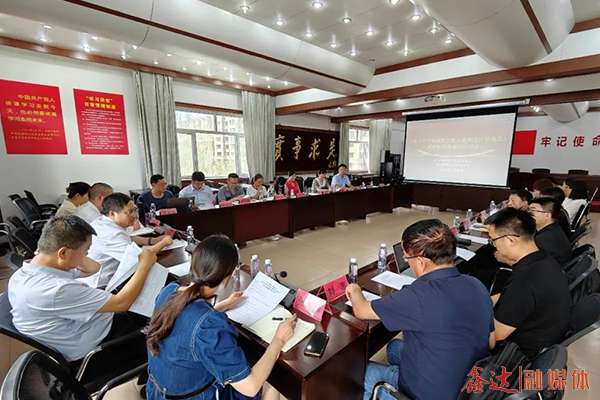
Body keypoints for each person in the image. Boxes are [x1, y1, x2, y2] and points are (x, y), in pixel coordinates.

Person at [347, 219, 495, 400]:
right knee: (394, 348)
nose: (408, 263)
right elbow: (491, 341)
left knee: (357, 374)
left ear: (421, 262)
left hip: (433, 394)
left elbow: (361, 310)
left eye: (407, 259)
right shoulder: (476, 285)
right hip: (470, 384)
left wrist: (355, 289)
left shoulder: (418, 296)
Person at [146, 235, 297, 400]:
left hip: (158, 392)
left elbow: (187, 324)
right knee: (271, 380)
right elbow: (251, 387)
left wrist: (222, 306)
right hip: (196, 396)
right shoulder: (208, 325)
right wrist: (278, 340)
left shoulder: (169, 291)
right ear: (230, 275)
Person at [8, 215, 157, 361]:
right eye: (86, 250)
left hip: (84, 326)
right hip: (101, 346)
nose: (87, 254)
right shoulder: (57, 289)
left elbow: (93, 268)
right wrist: (144, 265)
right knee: (161, 320)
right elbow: (121, 303)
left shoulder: (25, 272)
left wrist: (75, 252)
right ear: (63, 253)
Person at [487, 208, 571, 360]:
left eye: (493, 240)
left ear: (511, 240)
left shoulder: (525, 282)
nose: (494, 246)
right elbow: (508, 296)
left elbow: (493, 340)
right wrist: (482, 301)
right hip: (543, 337)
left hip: (519, 356)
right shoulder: (544, 260)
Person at [83, 193, 173, 288]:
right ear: (112, 214)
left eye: (135, 210)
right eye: (130, 212)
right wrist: (164, 243)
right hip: (102, 286)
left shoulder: (102, 221)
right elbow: (141, 258)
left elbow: (126, 238)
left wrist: (152, 240)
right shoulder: (112, 234)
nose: (134, 216)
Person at [529, 197, 573, 266]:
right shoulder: (554, 230)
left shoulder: (544, 239)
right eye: (528, 210)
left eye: (533, 210)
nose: (527, 214)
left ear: (547, 216)